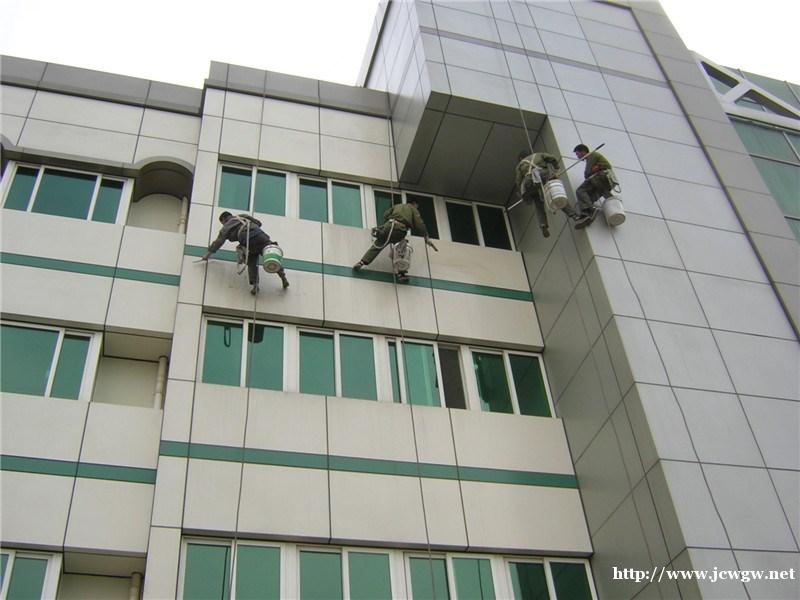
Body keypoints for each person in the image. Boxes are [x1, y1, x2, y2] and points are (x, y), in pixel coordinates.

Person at [201, 211, 289, 294]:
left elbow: (218, 242)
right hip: (260, 236)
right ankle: (283, 277)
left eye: (222, 223)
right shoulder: (243, 216)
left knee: (251, 261)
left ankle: (255, 285)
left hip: (248, 240)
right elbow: (259, 223)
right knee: (271, 254)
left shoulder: (226, 226)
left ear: (224, 219)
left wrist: (207, 255)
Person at [353, 197, 435, 282]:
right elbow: (419, 224)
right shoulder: (412, 209)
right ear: (414, 204)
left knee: (378, 245)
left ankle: (362, 262)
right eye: (417, 206)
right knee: (401, 248)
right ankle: (401, 273)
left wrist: (387, 223)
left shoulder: (397, 206)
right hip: (399, 230)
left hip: (388, 227)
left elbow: (385, 214)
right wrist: (426, 237)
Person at [514, 150, 579, 238]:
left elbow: (518, 181)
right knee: (555, 196)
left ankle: (543, 225)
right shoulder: (539, 155)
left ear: (520, 158)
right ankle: (574, 215)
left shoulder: (520, 165)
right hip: (543, 176)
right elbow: (552, 158)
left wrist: (522, 194)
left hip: (530, 184)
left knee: (539, 205)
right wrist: (556, 169)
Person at [573, 143, 614, 229]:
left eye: (577, 153)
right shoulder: (592, 158)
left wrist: (592, 170)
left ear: (583, 151)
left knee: (580, 191)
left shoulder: (592, 155)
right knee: (589, 198)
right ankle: (586, 215)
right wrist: (593, 170)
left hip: (600, 178)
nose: (577, 156)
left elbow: (587, 173)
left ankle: (591, 210)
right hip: (603, 183)